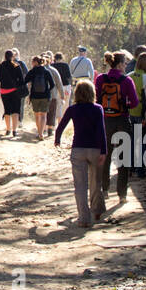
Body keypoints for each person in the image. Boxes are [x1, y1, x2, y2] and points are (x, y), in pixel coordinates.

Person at [54, 80, 108, 227]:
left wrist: (57, 139)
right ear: (92, 93)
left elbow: (61, 126)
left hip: (78, 148)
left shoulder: (73, 109)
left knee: (80, 185)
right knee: (96, 182)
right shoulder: (98, 109)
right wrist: (104, 150)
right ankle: (97, 210)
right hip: (95, 149)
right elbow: (101, 131)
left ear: (77, 93)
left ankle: (84, 218)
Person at [95, 50, 140, 204]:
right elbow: (134, 103)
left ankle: (105, 190)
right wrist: (125, 103)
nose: (126, 66)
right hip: (122, 120)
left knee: (105, 156)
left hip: (105, 121)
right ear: (120, 64)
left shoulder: (101, 78)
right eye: (125, 63)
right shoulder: (126, 81)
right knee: (123, 157)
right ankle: (122, 194)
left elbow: (97, 99)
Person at [128, 51, 146, 176]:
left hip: (129, 113)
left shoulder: (129, 76)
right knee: (143, 141)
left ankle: (131, 166)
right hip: (140, 114)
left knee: (132, 140)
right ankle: (141, 169)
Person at [25, 55, 59, 140]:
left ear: (35, 62)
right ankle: (41, 134)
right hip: (45, 96)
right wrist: (47, 90)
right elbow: (52, 84)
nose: (32, 63)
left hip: (35, 96)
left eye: (32, 62)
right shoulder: (46, 71)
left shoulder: (32, 71)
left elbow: (25, 80)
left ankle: (39, 132)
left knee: (37, 115)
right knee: (44, 115)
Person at [0, 50, 26, 138]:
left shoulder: (1, 66)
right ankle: (14, 130)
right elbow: (22, 80)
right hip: (15, 91)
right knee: (15, 110)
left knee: (7, 110)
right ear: (13, 56)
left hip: (4, 91)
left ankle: (8, 129)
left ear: (5, 56)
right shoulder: (16, 65)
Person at [50, 52, 72, 131]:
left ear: (54, 58)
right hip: (66, 87)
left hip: (56, 88)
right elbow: (69, 77)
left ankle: (55, 124)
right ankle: (62, 124)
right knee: (65, 106)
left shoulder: (52, 66)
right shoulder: (66, 65)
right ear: (62, 58)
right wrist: (69, 87)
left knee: (57, 105)